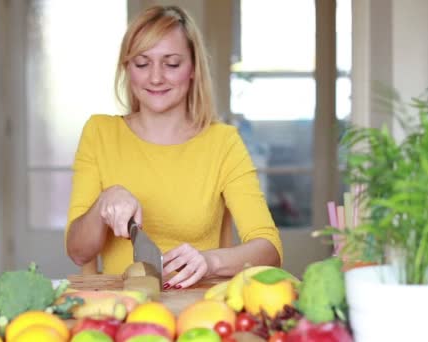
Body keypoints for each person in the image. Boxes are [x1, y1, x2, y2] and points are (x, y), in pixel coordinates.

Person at [65, 5, 282, 289]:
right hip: (121, 310)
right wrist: (104, 202)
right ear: (127, 68)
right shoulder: (100, 133)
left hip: (200, 309)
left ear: (193, 69)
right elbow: (78, 251)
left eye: (172, 64)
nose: (156, 77)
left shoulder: (223, 142)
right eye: (142, 64)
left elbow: (270, 250)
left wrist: (210, 261)